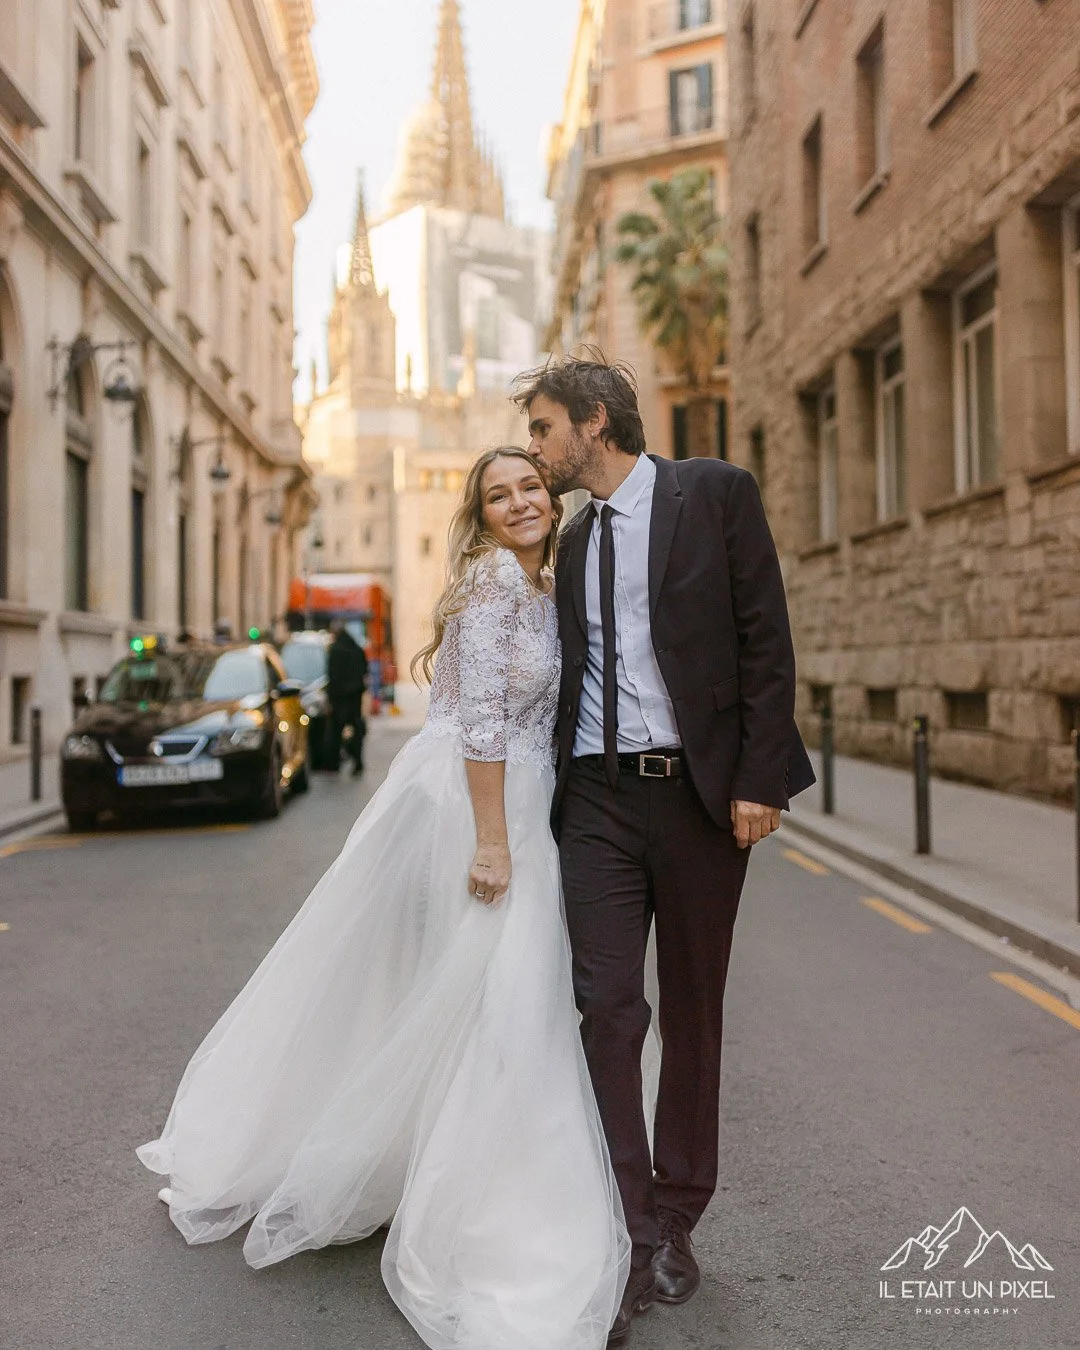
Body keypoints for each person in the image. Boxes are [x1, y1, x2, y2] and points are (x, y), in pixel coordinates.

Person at [137, 446, 629, 1350]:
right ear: (480, 517)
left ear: (549, 497)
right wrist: (492, 842)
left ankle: (448, 1170)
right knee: (500, 994)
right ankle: (482, 1204)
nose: (520, 503)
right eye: (499, 496)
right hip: (474, 809)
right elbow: (480, 720)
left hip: (522, 802)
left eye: (529, 487)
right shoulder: (492, 585)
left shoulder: (546, 581)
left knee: (475, 995)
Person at [514, 354, 815, 1343]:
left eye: (545, 428)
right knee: (606, 1007)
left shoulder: (714, 494)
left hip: (696, 797)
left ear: (595, 422)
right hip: (594, 799)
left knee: (691, 1011)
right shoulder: (567, 537)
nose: (535, 447)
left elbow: (764, 638)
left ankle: (679, 1216)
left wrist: (760, 778)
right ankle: (631, 1225)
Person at [326, 619, 368, 775]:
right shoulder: (356, 648)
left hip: (339, 697)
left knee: (336, 730)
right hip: (355, 696)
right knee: (356, 729)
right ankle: (357, 761)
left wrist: (331, 697)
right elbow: (364, 670)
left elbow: (332, 676)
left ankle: (334, 763)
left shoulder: (336, 650)